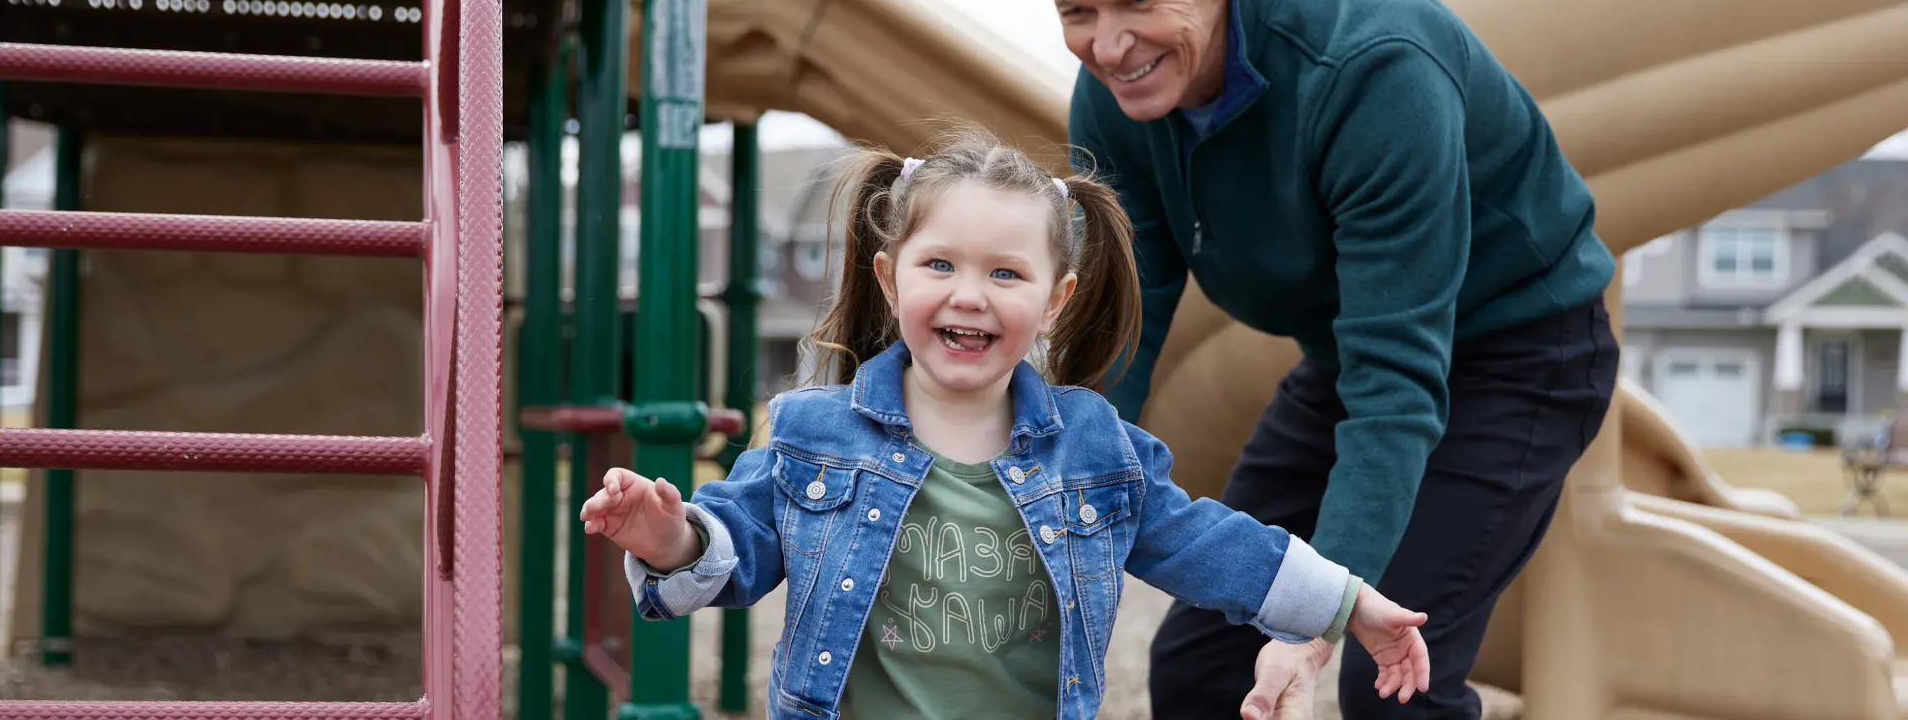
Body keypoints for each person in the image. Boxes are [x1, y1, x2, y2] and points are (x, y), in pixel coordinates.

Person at [579, 130, 1433, 720]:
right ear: (889, 277)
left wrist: (1347, 603)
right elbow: (735, 552)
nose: (969, 293)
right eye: (940, 264)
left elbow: (1211, 544)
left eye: (1006, 272)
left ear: (1054, 300)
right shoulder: (813, 433)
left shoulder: (1093, 448)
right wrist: (672, 538)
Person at [1031, 0, 1622, 718]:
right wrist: (1051, 474)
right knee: (1202, 663)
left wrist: (1313, 632)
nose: (1109, 45)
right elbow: (1127, 303)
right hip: (1349, 351)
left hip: (1519, 354)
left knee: (1390, 678)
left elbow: (1396, 381)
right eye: (1075, 12)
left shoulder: (1373, 71)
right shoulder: (1115, 96)